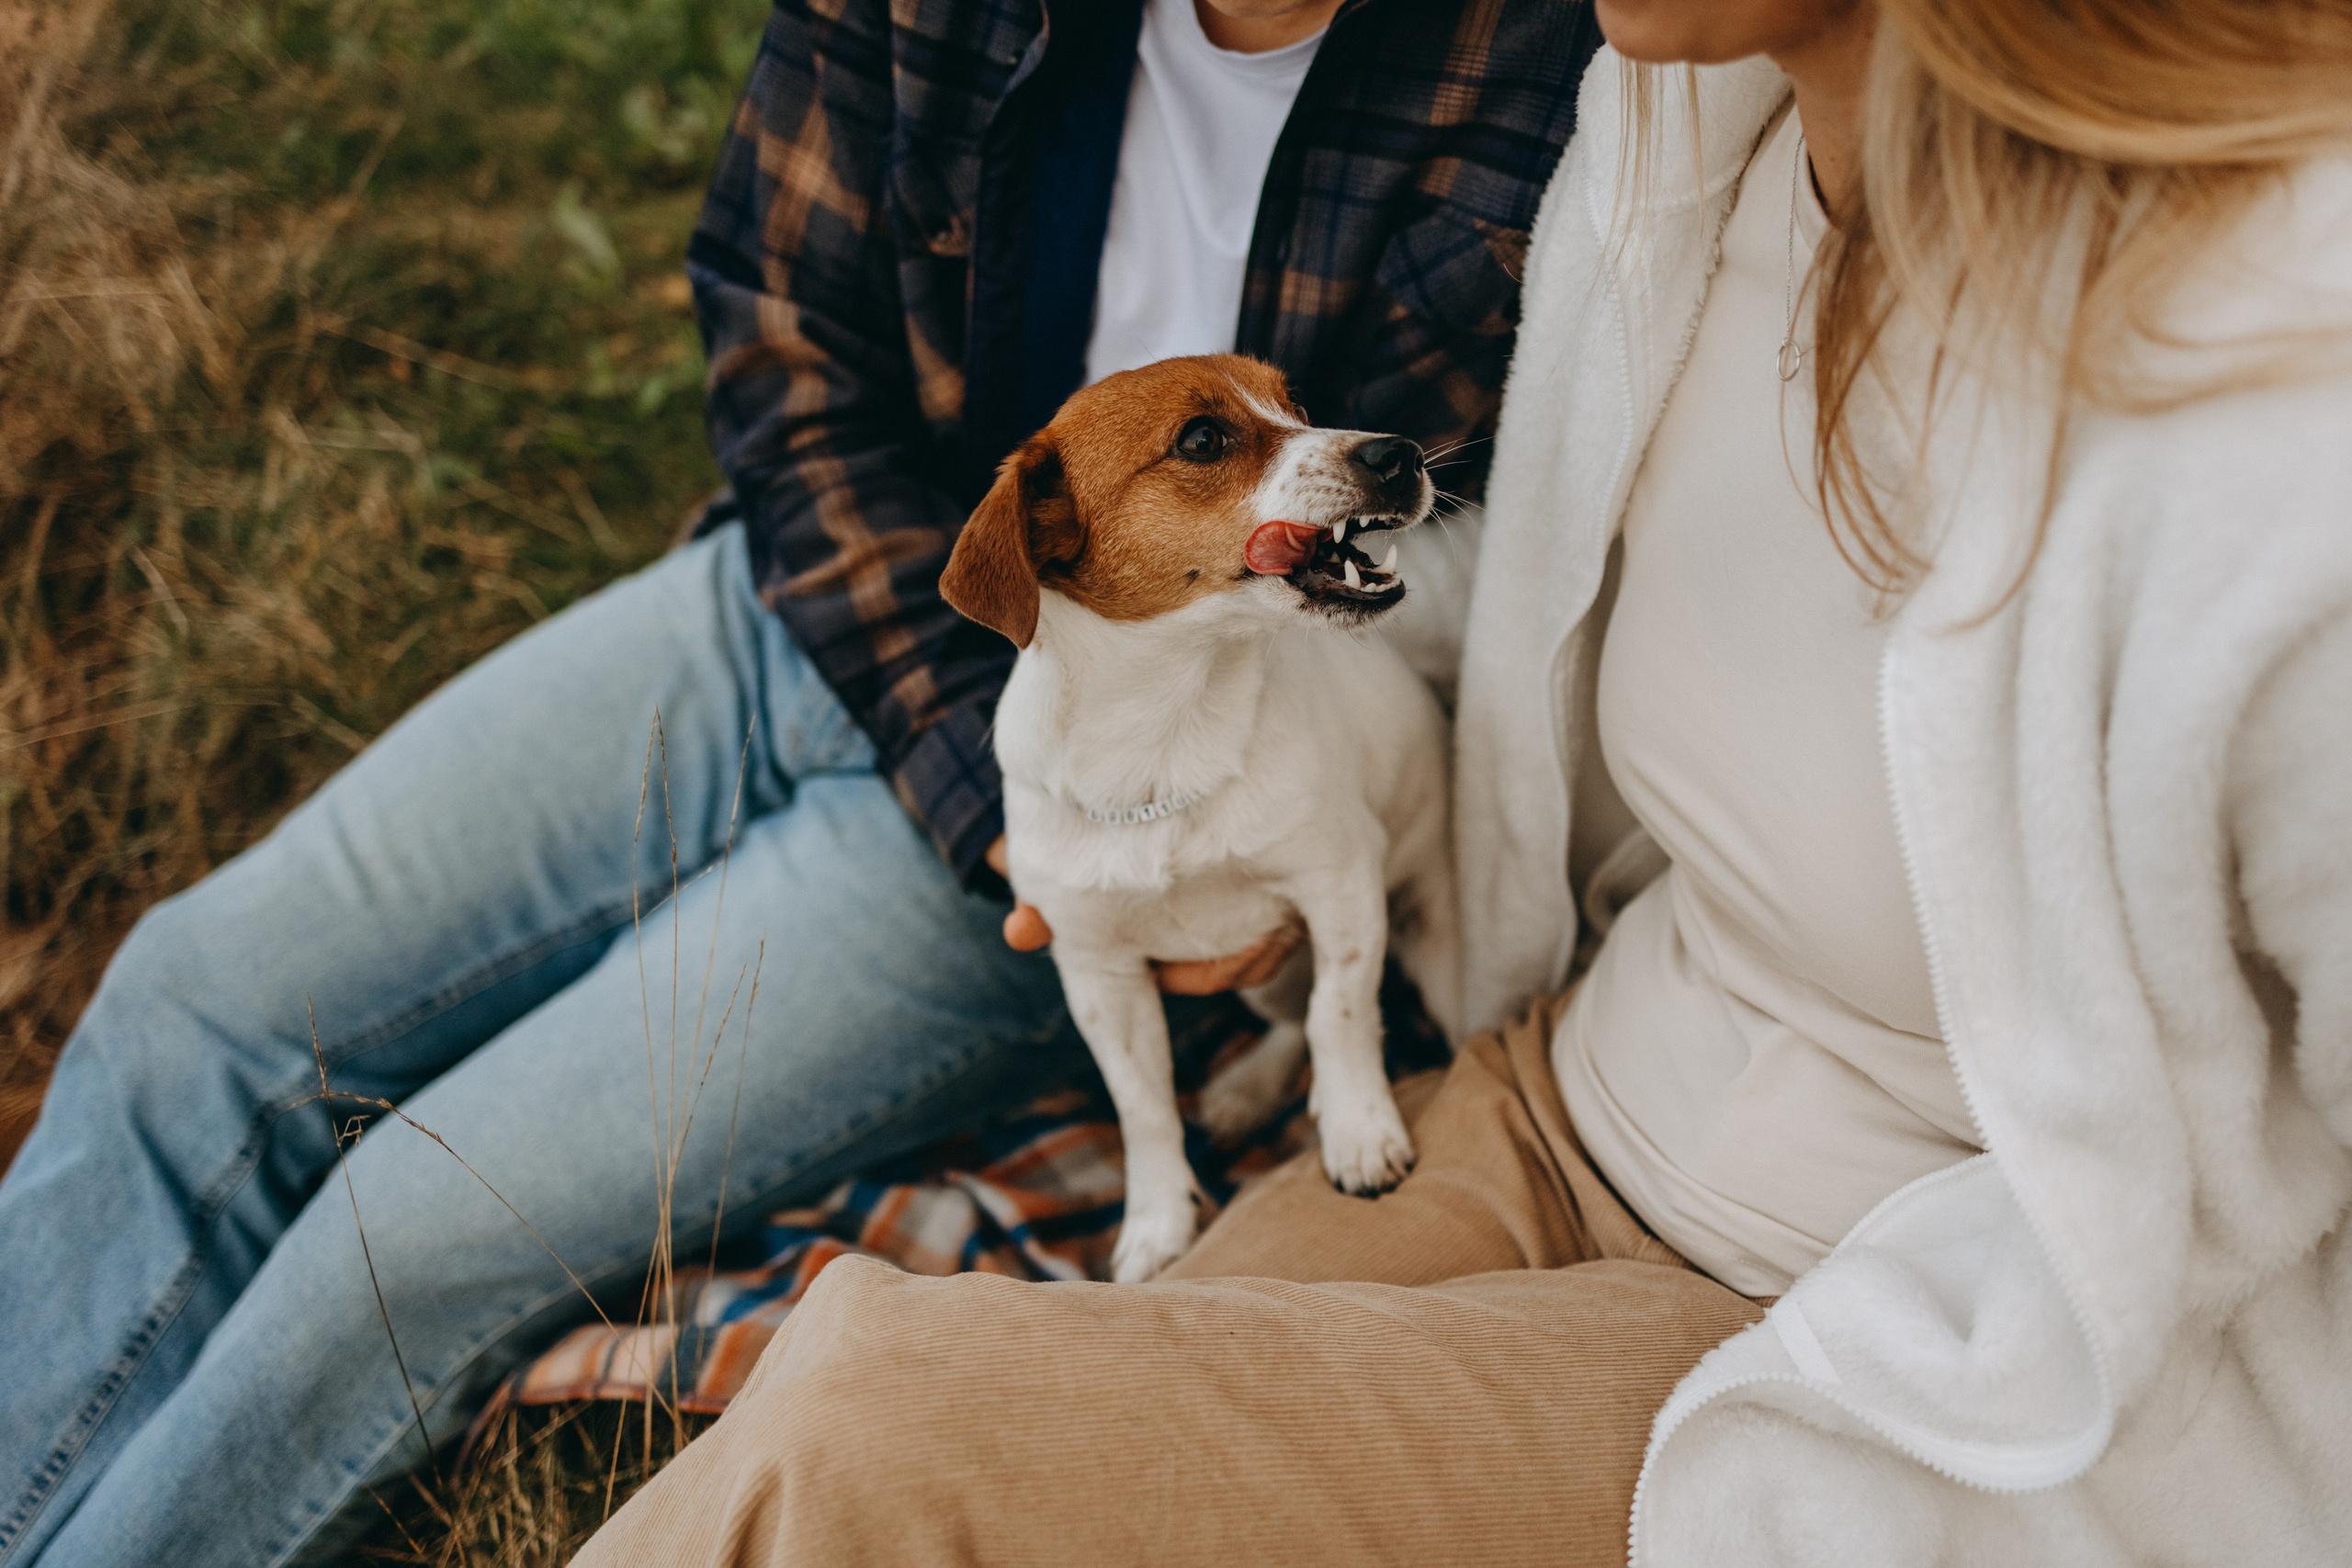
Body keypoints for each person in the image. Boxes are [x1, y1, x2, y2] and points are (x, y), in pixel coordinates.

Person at [567, 0, 2352, 1562]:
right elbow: (1510, 622)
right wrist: (1184, 764)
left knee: (879, 1421)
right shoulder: (1675, 137)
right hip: (1535, 1094)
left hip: (1882, 1329)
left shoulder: (2276, 401)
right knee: (967, 1417)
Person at [0, 2, 1604, 1564]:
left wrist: (1126, 846)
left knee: (399, 1240)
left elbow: (1514, 521)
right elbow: (783, 340)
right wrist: (988, 764)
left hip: (1146, 786)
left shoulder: (1563, 45)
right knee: (186, 1006)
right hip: (807, 610)